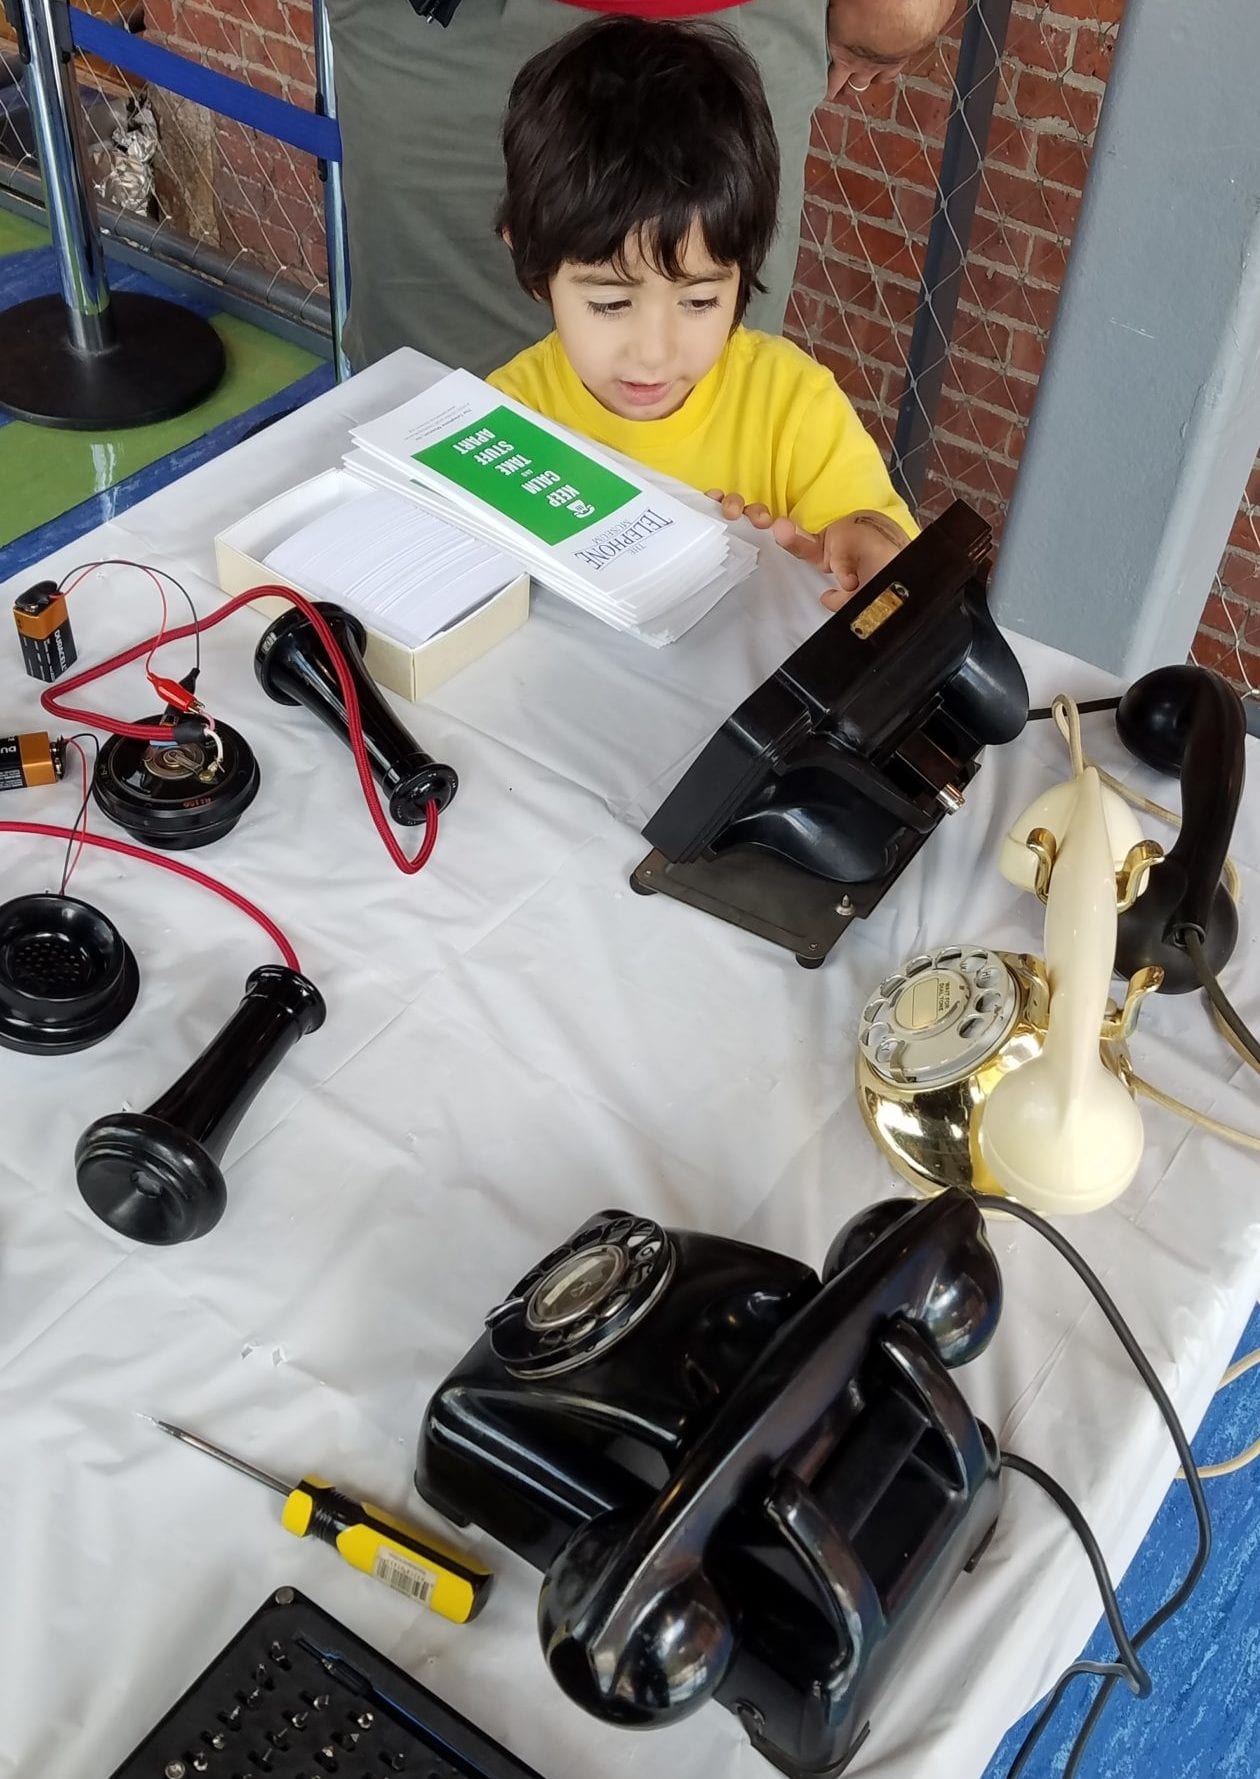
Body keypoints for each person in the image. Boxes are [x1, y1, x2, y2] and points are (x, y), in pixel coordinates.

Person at [488, 16, 916, 609]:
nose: (655, 352)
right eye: (610, 302)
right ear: (533, 262)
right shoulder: (503, 426)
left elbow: (884, 545)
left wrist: (864, 551)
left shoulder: (792, 406)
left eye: (699, 301)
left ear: (744, 271)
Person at [325, 0, 956, 376]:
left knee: (704, 435)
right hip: (442, 26)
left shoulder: (801, 417)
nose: (649, 355)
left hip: (727, 21)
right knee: (434, 427)